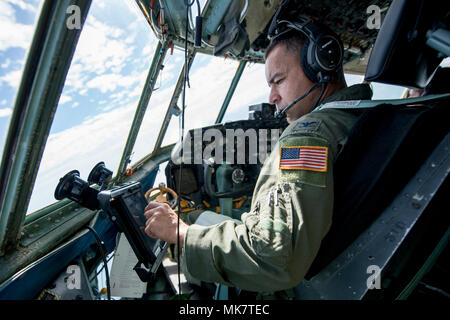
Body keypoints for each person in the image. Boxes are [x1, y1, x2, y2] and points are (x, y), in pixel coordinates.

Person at [143, 15, 373, 295]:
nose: (272, 97)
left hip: (301, 277)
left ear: (320, 66)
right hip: (337, 254)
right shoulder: (362, 114)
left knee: (185, 236)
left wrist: (181, 234)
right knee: (201, 219)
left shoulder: (306, 136)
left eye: (278, 81)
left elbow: (272, 258)